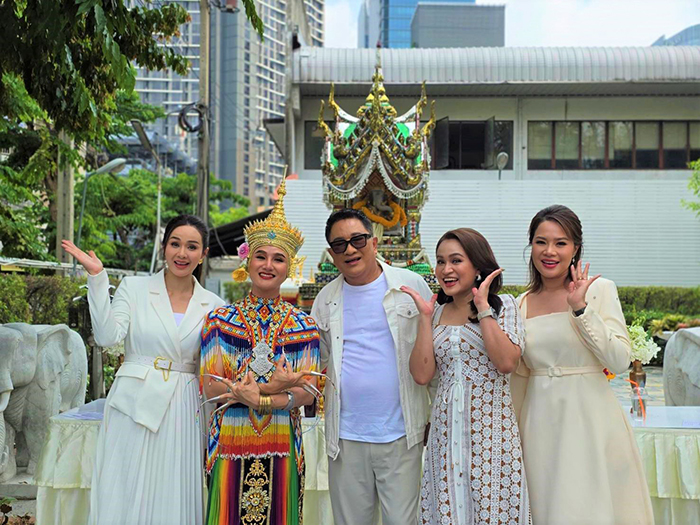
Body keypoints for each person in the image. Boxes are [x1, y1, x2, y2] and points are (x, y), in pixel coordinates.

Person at [62, 214, 225, 524]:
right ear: (164, 247)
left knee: (174, 489)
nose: (182, 253)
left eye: (192, 247)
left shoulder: (215, 305)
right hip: (133, 403)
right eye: (175, 244)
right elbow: (107, 337)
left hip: (184, 405)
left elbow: (214, 365)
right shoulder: (134, 288)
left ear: (203, 254)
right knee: (123, 484)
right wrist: (97, 279)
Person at [511, 205, 653, 524]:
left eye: (560, 243)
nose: (550, 251)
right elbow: (519, 379)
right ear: (531, 245)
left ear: (575, 248)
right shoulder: (521, 303)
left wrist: (580, 309)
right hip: (539, 424)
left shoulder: (599, 290)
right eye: (541, 242)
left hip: (591, 418)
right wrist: (513, 436)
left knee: (590, 506)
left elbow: (618, 360)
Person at [200, 178, 320, 525]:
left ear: (290, 266)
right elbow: (211, 387)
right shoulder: (219, 321)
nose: (268, 265)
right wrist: (276, 390)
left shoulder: (304, 326)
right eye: (261, 256)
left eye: (278, 259)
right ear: (248, 261)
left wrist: (258, 396)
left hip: (283, 442)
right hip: (229, 441)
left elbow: (308, 391)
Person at [310, 208, 434, 525]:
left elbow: (433, 351)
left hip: (401, 434)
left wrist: (434, 415)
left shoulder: (410, 287)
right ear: (332, 254)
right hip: (346, 436)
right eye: (339, 245)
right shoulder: (325, 299)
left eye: (358, 240)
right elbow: (316, 362)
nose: (350, 250)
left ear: (374, 242)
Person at [402, 228, 531, 525]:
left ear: (477, 266)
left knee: (493, 510)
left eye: (456, 260)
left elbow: (506, 362)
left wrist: (483, 308)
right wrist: (424, 319)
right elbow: (421, 375)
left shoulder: (504, 306)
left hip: (492, 435)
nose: (446, 269)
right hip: (445, 434)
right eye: (440, 261)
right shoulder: (435, 313)